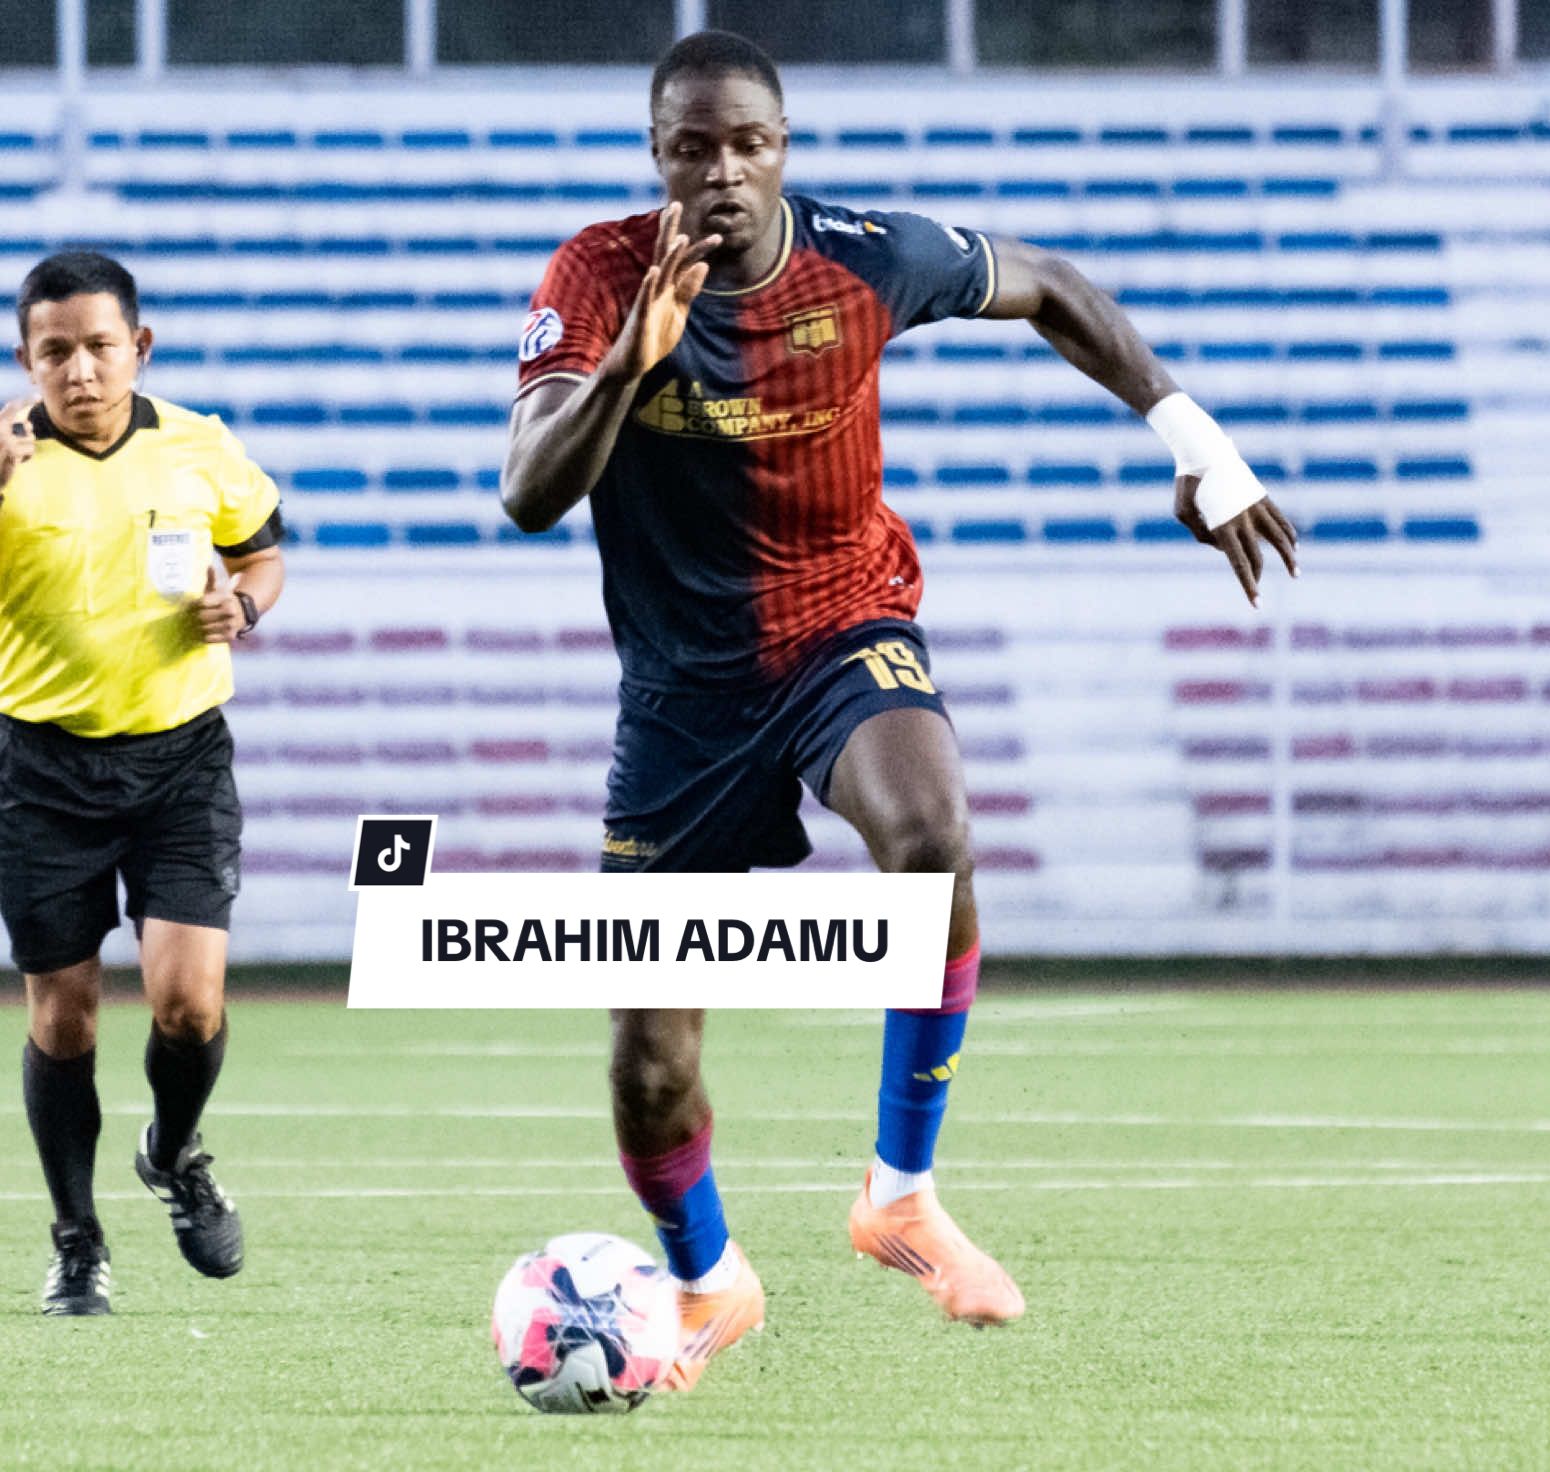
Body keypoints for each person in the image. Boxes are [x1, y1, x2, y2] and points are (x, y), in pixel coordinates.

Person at [502, 31, 1298, 1387]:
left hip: (840, 631)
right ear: (656, 154)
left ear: (783, 149)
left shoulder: (863, 257)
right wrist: (632, 364)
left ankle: (900, 1194)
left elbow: (1048, 285)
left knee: (930, 832)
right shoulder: (598, 273)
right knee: (648, 1064)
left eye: (748, 143)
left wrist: (1194, 439)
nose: (722, 171)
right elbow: (529, 489)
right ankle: (707, 1280)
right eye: (693, 145)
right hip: (680, 700)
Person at [0, 251, 286, 1315]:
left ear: (140, 347)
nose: (78, 369)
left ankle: (172, 1151)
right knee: (65, 1017)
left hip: (179, 757)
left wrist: (244, 608)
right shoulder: (7, 460)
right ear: (26, 361)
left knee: (187, 1000)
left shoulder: (197, 445)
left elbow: (262, 554)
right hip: (40, 764)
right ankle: (77, 1239)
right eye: (53, 351)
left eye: (98, 345)